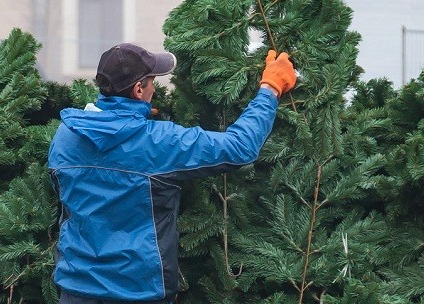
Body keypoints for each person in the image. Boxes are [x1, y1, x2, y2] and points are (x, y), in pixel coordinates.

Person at [48, 43, 296, 304]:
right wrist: (270, 88)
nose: (155, 88)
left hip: (75, 289)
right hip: (138, 292)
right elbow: (239, 148)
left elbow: (65, 193)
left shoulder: (66, 136)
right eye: (152, 81)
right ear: (139, 89)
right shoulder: (158, 141)